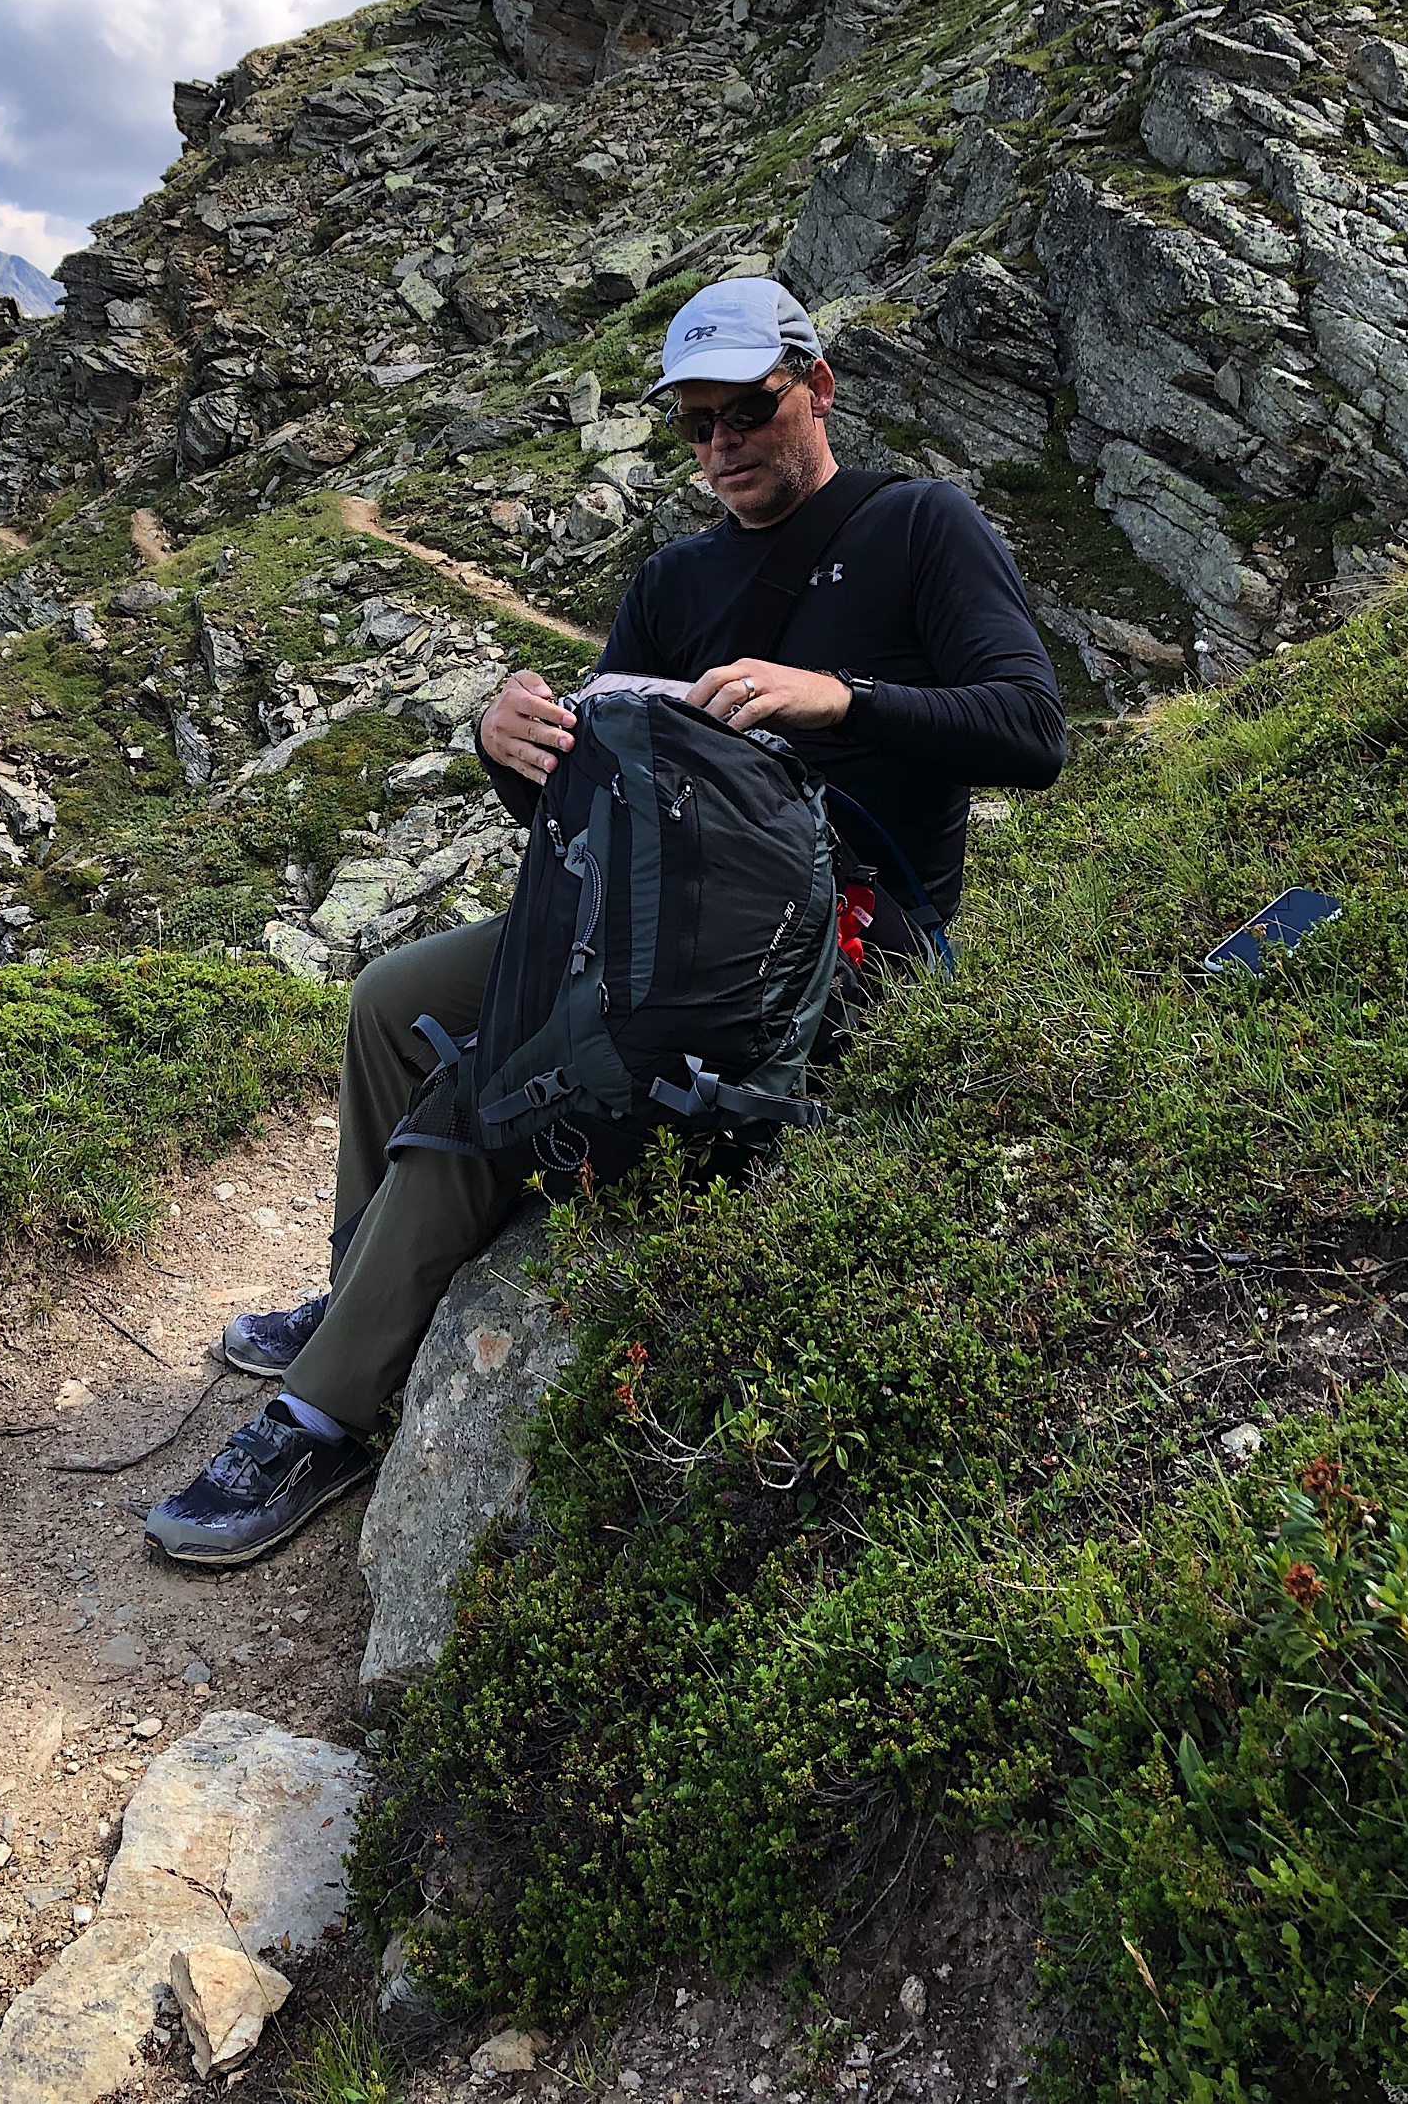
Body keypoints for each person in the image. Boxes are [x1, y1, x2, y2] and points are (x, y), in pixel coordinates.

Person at [143, 276, 1066, 1568]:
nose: (720, 446)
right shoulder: (674, 581)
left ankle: (323, 1417)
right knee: (390, 1005)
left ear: (819, 387)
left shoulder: (921, 529)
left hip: (843, 951)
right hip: (655, 921)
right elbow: (591, 819)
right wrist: (509, 753)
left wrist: (836, 698)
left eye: (747, 408)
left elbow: (1029, 733)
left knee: (506, 1078)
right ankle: (361, 1285)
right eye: (693, 424)